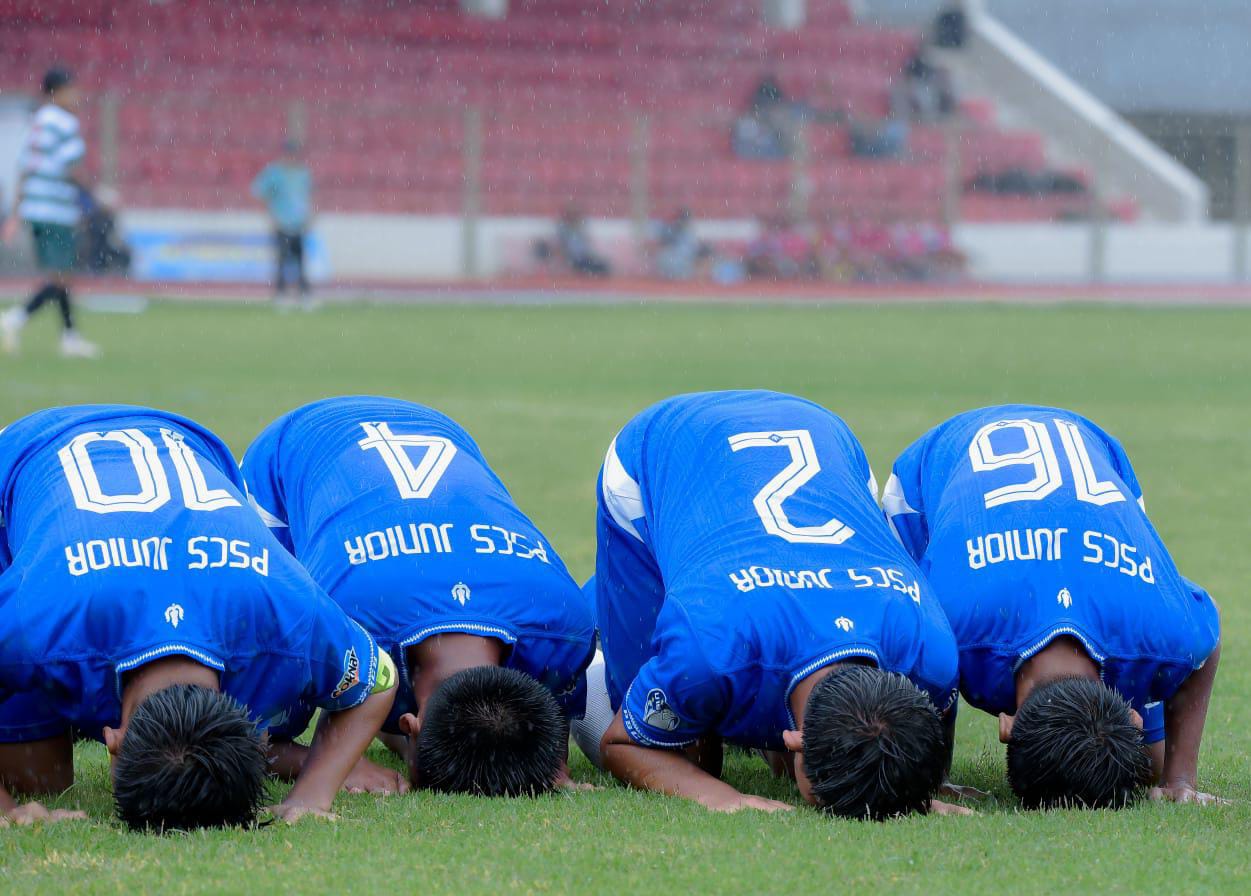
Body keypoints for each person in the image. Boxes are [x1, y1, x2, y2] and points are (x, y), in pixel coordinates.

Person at [0, 405, 400, 830]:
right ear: (113, 739)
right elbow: (379, 680)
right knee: (33, 780)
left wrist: (311, 795)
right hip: (28, 451)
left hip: (187, 445)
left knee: (38, 775)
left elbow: (378, 679)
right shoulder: (39, 622)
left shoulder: (286, 613)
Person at [578, 390, 969, 818]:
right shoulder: (711, 650)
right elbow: (622, 743)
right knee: (688, 753)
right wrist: (721, 797)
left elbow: (916, 752)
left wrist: (914, 788)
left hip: (824, 434)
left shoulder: (931, 654)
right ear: (795, 739)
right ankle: (590, 652)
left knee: (704, 705)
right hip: (668, 445)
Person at [241, 396, 596, 796]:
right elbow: (248, 740)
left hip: (437, 427)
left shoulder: (563, 623)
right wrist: (333, 762)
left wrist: (543, 762)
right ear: (408, 724)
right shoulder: (332, 623)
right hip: (297, 447)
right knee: (278, 700)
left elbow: (548, 723)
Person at [884, 406, 1223, 809]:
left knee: (1146, 767)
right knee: (933, 653)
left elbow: (1207, 638)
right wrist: (932, 775)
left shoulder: (1164, 631)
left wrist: (1178, 779)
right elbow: (917, 653)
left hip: (1095, 450)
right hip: (935, 465)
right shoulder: (952, 623)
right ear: (1008, 726)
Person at [1, 67, 101, 359]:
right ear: (56, 93)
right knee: (60, 276)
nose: (77, 96)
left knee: (61, 274)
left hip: (35, 208)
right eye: (72, 90)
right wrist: (98, 196)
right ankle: (15, 319)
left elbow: (23, 168)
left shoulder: (36, 123)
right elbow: (73, 168)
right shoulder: (63, 123)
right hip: (55, 209)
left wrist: (16, 212)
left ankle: (69, 337)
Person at [251, 138, 313, 305]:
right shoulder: (275, 173)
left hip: (298, 223)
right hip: (282, 223)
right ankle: (281, 293)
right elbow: (259, 192)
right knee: (282, 259)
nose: (292, 157)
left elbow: (308, 196)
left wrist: (309, 216)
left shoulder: (302, 173)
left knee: (300, 260)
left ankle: (303, 293)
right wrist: (271, 214)